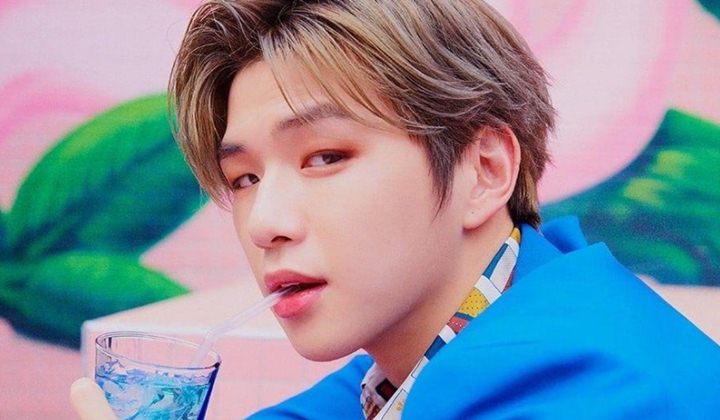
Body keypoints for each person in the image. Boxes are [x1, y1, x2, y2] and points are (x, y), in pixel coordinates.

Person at [71, 0, 720, 418]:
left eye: (325, 157)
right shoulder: (419, 358)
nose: (264, 223)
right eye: (243, 178)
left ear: (484, 171)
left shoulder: (606, 393)